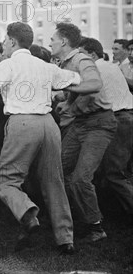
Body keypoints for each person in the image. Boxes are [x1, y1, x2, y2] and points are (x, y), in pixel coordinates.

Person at [0, 22, 81, 255]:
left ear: (11, 41)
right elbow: (75, 80)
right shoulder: (44, 65)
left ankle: (28, 211)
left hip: (22, 122)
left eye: (4, 41)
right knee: (54, 181)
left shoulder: (7, 65)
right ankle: (65, 238)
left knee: (7, 181)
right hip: (49, 123)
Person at [49, 22, 114, 243]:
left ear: (64, 42)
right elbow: (77, 90)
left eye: (53, 39)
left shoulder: (81, 59)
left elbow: (94, 84)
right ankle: (76, 218)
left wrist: (67, 90)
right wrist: (65, 101)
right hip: (81, 123)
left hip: (98, 123)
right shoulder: (66, 63)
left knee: (79, 178)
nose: (50, 43)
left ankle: (96, 228)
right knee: (59, 170)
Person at [78, 37, 133, 223]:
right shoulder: (110, 66)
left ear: (92, 54)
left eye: (82, 55)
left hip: (119, 119)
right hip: (126, 117)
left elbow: (88, 98)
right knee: (119, 171)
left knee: (114, 174)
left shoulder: (96, 69)